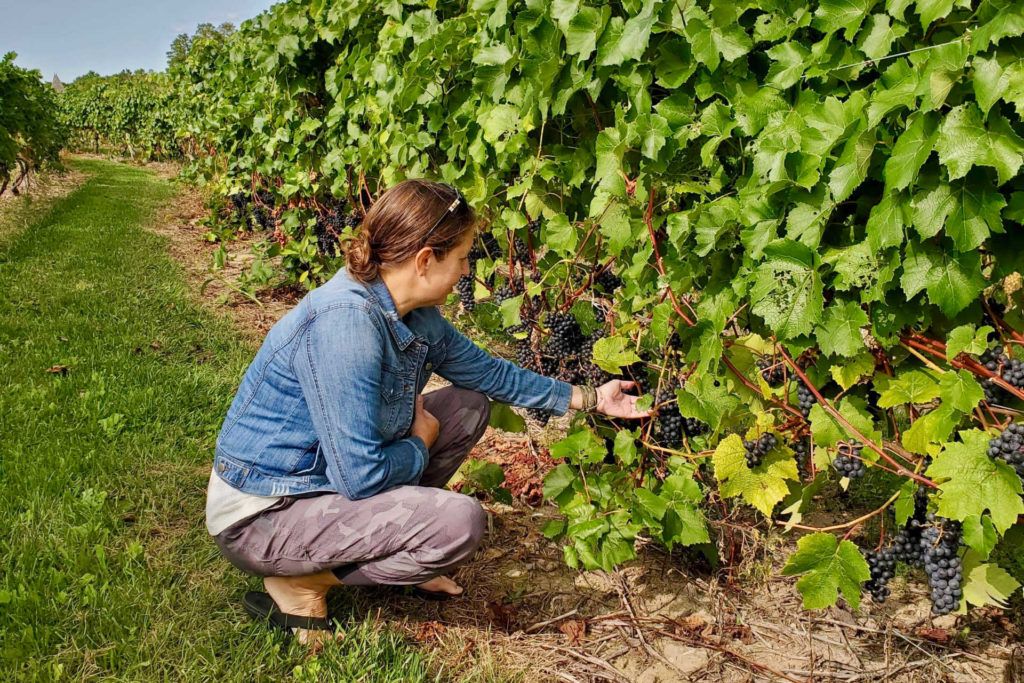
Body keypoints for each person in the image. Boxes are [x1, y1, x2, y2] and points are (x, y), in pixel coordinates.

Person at [205, 179, 649, 645]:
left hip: (322, 487)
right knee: (461, 523)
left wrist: (591, 399)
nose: (466, 270)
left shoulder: (413, 316)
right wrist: (420, 444)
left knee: (468, 405)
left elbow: (491, 375)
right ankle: (302, 582)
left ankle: (394, 548)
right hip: (267, 516)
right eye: (461, 256)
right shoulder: (346, 326)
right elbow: (361, 477)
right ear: (424, 260)